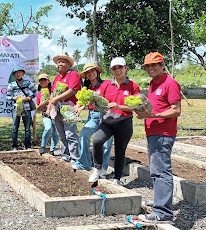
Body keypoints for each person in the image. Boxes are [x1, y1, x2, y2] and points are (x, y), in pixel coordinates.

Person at [136, 52, 181, 223]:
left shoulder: (170, 83)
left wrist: (153, 115)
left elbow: (176, 110)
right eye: (147, 66)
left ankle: (163, 213)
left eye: (154, 64)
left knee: (161, 171)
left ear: (163, 65)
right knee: (156, 171)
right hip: (154, 132)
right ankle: (160, 202)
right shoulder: (154, 83)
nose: (150, 68)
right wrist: (144, 114)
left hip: (163, 133)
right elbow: (153, 109)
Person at [88, 57, 140, 185]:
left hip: (124, 122)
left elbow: (136, 106)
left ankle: (117, 178)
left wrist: (119, 106)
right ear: (111, 70)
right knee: (97, 141)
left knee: (120, 151)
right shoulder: (106, 84)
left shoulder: (133, 86)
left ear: (125, 68)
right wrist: (93, 102)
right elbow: (100, 101)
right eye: (114, 68)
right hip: (107, 122)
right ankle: (97, 169)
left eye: (120, 67)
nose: (118, 70)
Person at [71, 63, 114, 172]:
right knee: (83, 136)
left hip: (106, 115)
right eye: (87, 73)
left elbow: (108, 100)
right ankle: (84, 163)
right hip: (93, 116)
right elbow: (79, 102)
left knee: (106, 143)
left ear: (97, 72)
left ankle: (102, 169)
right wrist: (73, 111)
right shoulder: (86, 88)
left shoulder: (106, 84)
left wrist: (88, 104)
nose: (90, 74)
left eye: (92, 71)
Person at [48, 54, 82, 162]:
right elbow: (52, 93)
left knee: (70, 134)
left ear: (68, 64)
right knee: (61, 134)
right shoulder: (57, 77)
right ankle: (65, 155)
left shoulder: (73, 74)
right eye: (58, 62)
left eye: (62, 62)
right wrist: (50, 106)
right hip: (57, 108)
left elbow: (72, 90)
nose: (60, 64)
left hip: (69, 107)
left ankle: (75, 157)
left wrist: (56, 99)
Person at [6, 66, 37, 150]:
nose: (18, 74)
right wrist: (14, 98)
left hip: (26, 108)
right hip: (16, 109)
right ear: (14, 75)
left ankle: (28, 146)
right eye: (16, 73)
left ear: (23, 73)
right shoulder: (12, 84)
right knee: (15, 128)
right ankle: (15, 146)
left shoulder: (27, 82)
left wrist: (29, 98)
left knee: (27, 128)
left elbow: (35, 92)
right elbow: (7, 97)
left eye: (19, 72)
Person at [35, 73, 58, 155]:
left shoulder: (53, 91)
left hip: (55, 113)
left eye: (45, 80)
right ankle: (43, 146)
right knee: (48, 128)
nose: (43, 81)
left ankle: (52, 149)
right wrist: (43, 104)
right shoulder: (39, 94)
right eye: (41, 80)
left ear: (48, 81)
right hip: (45, 114)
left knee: (55, 132)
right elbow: (37, 108)